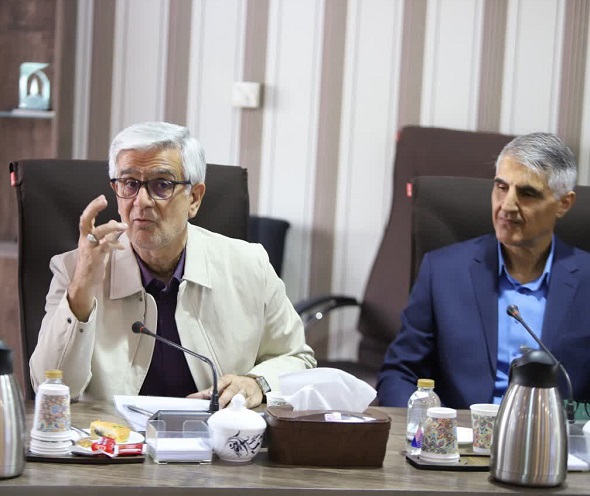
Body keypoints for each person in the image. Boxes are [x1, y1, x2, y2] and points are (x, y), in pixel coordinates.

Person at [30, 121, 315, 408]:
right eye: (129, 183)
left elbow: (297, 358)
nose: (141, 201)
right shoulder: (74, 269)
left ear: (194, 198)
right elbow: (49, 388)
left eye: (162, 185)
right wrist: (82, 288)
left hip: (214, 433)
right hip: (110, 434)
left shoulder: (250, 265)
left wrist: (256, 382)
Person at [377, 132, 590, 409]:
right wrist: (427, 424)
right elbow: (399, 373)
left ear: (563, 203)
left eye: (527, 193)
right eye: (501, 187)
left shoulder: (586, 280)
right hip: (460, 431)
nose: (507, 205)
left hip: (553, 433)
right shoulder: (443, 272)